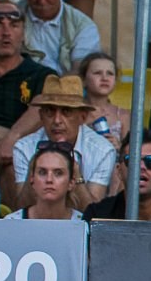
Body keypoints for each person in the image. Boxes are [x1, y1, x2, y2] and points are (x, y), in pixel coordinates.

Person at [10, 74, 114, 210]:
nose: (57, 120)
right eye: (50, 112)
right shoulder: (23, 148)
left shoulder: (103, 150)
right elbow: (23, 208)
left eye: (66, 112)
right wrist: (34, 166)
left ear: (82, 117)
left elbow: (92, 213)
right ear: (40, 116)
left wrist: (75, 172)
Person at [17, 0, 99, 73]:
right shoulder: (10, 18)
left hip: (65, 89)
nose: (42, 0)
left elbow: (80, 72)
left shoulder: (83, 26)